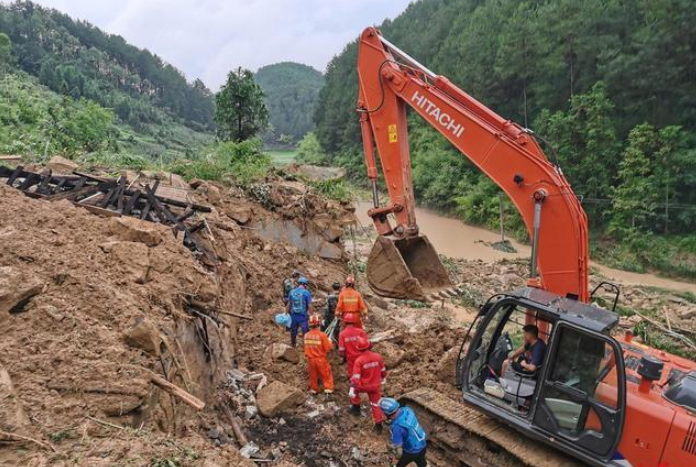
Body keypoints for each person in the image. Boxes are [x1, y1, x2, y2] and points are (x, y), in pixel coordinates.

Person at [349, 335, 386, 432]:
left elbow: (356, 378)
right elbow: (383, 370)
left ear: (358, 349)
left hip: (364, 386)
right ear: (369, 345)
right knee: (375, 405)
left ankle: (356, 408)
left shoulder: (359, 361)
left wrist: (352, 388)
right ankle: (378, 426)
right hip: (376, 386)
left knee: (354, 390)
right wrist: (383, 377)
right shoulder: (378, 357)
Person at [379, 398, 428, 467]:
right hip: (423, 443)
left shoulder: (397, 428)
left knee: (401, 464)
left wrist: (394, 453)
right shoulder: (407, 409)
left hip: (411, 452)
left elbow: (399, 454)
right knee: (421, 461)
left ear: (387, 414)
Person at [304, 314, 335, 397]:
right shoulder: (322, 335)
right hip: (320, 359)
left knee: (313, 376)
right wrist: (329, 342)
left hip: (310, 360)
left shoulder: (306, 335)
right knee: (326, 374)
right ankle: (328, 391)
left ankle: (314, 390)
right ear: (318, 324)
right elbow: (327, 348)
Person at [338, 312, 368, 381]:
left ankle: (354, 389)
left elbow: (341, 352)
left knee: (353, 376)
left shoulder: (342, 334)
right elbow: (367, 345)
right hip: (362, 357)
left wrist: (343, 358)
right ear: (354, 322)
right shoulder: (361, 332)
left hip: (350, 359)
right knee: (363, 374)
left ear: (345, 322)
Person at [286, 277, 313, 347]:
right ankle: (306, 346)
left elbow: (289, 304)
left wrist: (286, 313)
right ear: (305, 285)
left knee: (293, 330)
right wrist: (312, 315)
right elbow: (309, 305)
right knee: (305, 330)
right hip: (302, 316)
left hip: (293, 315)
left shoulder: (292, 292)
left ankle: (293, 344)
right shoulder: (306, 292)